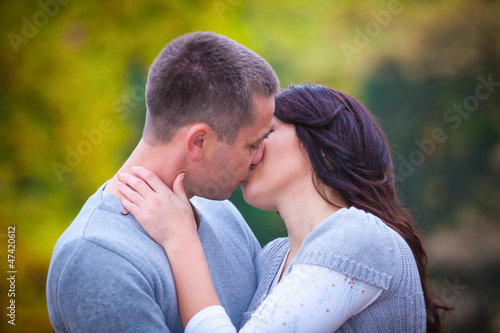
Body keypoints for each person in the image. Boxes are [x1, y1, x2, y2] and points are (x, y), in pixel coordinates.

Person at [118, 84, 451, 332]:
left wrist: (180, 239)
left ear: (320, 145)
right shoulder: (272, 259)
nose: (250, 153)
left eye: (266, 134)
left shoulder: (360, 238)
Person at [46, 31, 280, 332]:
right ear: (199, 142)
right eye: (252, 144)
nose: (259, 156)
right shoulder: (98, 257)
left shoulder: (224, 215)